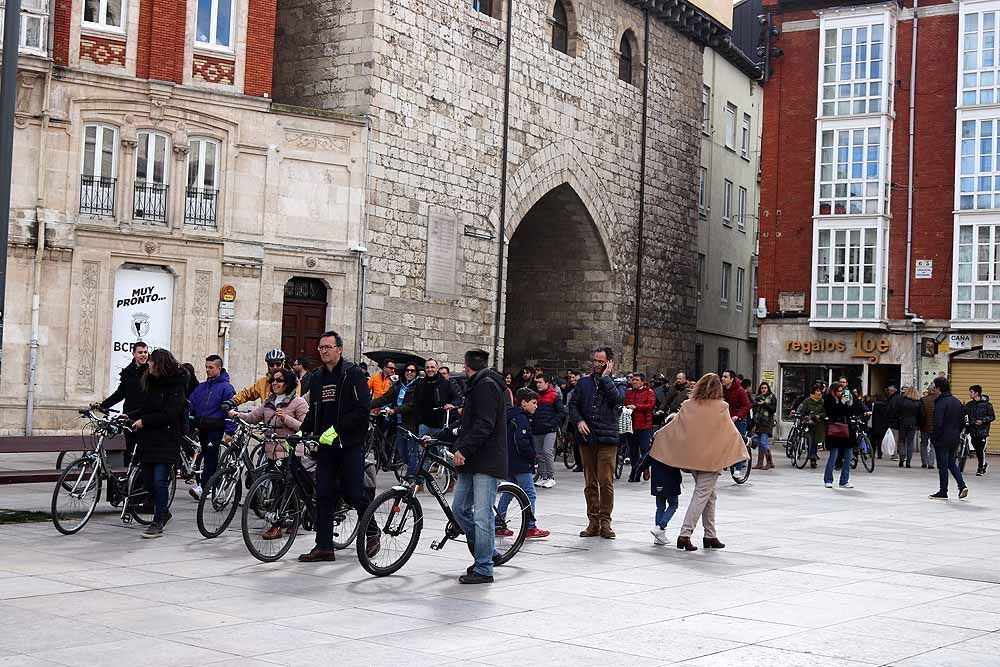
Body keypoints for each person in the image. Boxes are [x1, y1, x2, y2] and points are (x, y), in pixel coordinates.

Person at [297, 331, 375, 562]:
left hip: (349, 444)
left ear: (339, 349)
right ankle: (324, 546)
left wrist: (338, 430)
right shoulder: (318, 376)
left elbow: (362, 410)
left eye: (328, 347)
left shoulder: (353, 375)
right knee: (323, 495)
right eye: (320, 347)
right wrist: (302, 430)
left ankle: (372, 532)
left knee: (354, 492)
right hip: (326, 446)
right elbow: (315, 409)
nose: (323, 351)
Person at [650, 373, 748, 551]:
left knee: (710, 495)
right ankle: (685, 534)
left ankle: (710, 535)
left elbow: (674, 426)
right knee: (702, 494)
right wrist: (744, 445)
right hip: (712, 460)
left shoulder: (689, 405)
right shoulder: (722, 407)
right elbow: (730, 432)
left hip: (693, 459)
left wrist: (658, 435)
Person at [452, 349, 509, 584]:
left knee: (482, 515)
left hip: (486, 460)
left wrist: (464, 450)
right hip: (474, 460)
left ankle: (484, 567)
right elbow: (470, 421)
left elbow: (485, 424)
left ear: (467, 366)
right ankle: (487, 552)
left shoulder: (485, 385)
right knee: (460, 509)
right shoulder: (478, 384)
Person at [237, 368, 309, 539]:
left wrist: (286, 418)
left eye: (280, 380)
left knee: (285, 487)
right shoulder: (269, 402)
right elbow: (253, 417)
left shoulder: (298, 402)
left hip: (290, 451)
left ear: (288, 383)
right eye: (273, 380)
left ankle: (279, 524)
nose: (275, 383)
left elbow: (305, 427)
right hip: (272, 452)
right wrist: (236, 414)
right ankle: (292, 517)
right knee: (279, 486)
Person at [129, 349, 189, 539]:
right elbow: (147, 407)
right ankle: (163, 511)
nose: (148, 364)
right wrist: (130, 416)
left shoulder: (177, 385)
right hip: (149, 439)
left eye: (152, 361)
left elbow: (170, 414)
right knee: (147, 480)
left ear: (160, 363)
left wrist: (145, 421)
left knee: (159, 480)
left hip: (168, 438)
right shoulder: (151, 382)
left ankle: (157, 522)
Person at [569, 346, 624, 539]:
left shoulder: (618, 383)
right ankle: (593, 521)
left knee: (606, 481)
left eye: (602, 362)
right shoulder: (584, 382)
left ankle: (605, 522)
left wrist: (606, 378)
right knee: (590, 482)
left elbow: (617, 401)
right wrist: (578, 421)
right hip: (587, 437)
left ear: (609, 363)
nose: (598, 365)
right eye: (596, 361)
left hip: (607, 439)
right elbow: (573, 405)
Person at [498, 388, 549, 540]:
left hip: (509, 461)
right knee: (529, 493)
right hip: (520, 462)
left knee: (508, 492)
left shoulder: (510, 416)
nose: (536, 406)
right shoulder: (521, 418)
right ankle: (530, 526)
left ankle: (498, 523)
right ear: (524, 403)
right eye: (533, 403)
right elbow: (521, 441)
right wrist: (532, 456)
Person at [188, 355, 236, 499]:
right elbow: (191, 404)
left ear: (219, 369)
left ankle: (206, 487)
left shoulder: (226, 388)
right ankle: (210, 485)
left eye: (211, 367)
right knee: (205, 455)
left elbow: (230, 410)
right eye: (206, 367)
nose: (208, 370)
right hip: (202, 426)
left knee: (210, 456)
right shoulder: (202, 387)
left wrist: (229, 431)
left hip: (216, 427)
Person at [95, 341, 149, 467]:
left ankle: (139, 482)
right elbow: (120, 393)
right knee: (129, 449)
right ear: (134, 354)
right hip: (128, 415)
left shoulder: (150, 372)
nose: (143, 355)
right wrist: (103, 405)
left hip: (144, 415)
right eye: (140, 352)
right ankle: (126, 479)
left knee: (142, 450)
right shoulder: (128, 372)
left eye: (145, 352)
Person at [371, 363, 421, 479]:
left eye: (412, 371)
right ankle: (415, 474)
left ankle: (413, 479)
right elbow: (385, 398)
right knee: (402, 454)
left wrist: (395, 410)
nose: (409, 373)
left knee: (411, 453)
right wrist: (367, 406)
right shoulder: (398, 385)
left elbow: (412, 405)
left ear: (416, 373)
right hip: (398, 423)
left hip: (411, 424)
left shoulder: (418, 386)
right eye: (407, 370)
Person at [631, 445, 682, 545]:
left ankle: (659, 537)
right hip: (671, 482)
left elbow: (644, 461)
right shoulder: (674, 448)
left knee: (660, 507)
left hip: (657, 482)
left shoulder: (655, 449)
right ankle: (660, 527)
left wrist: (637, 473)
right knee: (673, 505)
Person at [929, 377, 968, 500]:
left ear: (938, 388)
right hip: (954, 438)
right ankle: (962, 485)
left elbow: (937, 423)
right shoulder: (957, 402)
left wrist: (934, 437)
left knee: (942, 465)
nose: (933, 389)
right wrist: (956, 432)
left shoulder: (940, 402)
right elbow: (962, 422)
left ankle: (943, 491)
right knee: (951, 463)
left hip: (942, 438)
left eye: (934, 387)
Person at [227, 349, 299, 410]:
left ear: (283, 363)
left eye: (278, 364)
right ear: (268, 365)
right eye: (271, 364)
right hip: (267, 419)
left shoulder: (293, 381)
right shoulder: (263, 382)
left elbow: (295, 399)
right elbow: (248, 394)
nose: (275, 367)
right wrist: (233, 401)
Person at [532, 373, 566, 488]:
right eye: (537, 382)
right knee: (539, 454)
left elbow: (562, 412)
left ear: (547, 383)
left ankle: (551, 477)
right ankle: (543, 476)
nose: (538, 384)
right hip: (537, 428)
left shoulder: (554, 396)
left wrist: (553, 423)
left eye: (540, 382)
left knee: (547, 451)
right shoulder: (536, 396)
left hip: (549, 429)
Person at [823, 383, 860, 489]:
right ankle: (828, 479)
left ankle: (844, 480)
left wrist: (849, 403)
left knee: (848, 456)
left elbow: (849, 412)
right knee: (833, 455)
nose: (841, 393)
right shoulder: (829, 399)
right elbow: (833, 413)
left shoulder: (845, 398)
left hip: (847, 429)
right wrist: (842, 403)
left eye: (842, 391)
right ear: (833, 391)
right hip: (835, 429)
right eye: (838, 391)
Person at [412, 358, 459, 439]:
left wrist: (451, 404)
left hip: (440, 426)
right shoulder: (420, 384)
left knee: (438, 451)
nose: (430, 369)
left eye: (432, 367)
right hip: (423, 425)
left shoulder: (446, 383)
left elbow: (457, 398)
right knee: (422, 450)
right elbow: (415, 402)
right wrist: (418, 420)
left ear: (437, 368)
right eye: (427, 367)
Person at [624, 373, 656, 482]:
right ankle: (635, 473)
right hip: (631, 426)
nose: (634, 382)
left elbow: (651, 405)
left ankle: (644, 467)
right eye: (633, 380)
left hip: (644, 425)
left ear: (642, 382)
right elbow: (624, 403)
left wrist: (636, 407)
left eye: (636, 380)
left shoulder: (649, 392)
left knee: (644, 450)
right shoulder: (628, 392)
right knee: (633, 451)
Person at [965, 385, 995, 476]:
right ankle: (983, 463)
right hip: (973, 431)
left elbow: (992, 417)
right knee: (977, 449)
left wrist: (983, 421)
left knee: (981, 450)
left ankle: (980, 468)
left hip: (983, 431)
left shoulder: (987, 405)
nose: (969, 394)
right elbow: (965, 415)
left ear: (976, 393)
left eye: (971, 392)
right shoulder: (969, 405)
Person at [797, 383, 827, 468]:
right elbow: (802, 411)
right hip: (808, 423)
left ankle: (813, 456)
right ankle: (811, 456)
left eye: (820, 391)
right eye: (817, 391)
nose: (819, 392)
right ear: (813, 391)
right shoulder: (807, 400)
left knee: (815, 440)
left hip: (818, 423)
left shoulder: (822, 402)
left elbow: (825, 412)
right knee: (811, 439)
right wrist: (805, 417)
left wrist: (819, 416)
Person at [896, 386, 923, 469]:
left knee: (901, 441)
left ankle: (901, 458)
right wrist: (919, 424)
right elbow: (921, 415)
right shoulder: (918, 403)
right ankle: (908, 462)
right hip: (913, 423)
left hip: (902, 422)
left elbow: (897, 412)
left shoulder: (902, 401)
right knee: (910, 442)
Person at [752, 382, 777, 470]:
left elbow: (773, 409)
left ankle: (769, 462)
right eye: (762, 388)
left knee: (763, 443)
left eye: (765, 388)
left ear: (768, 389)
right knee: (760, 443)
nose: (763, 389)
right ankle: (760, 463)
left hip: (767, 423)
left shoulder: (772, 397)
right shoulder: (758, 398)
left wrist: (764, 404)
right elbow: (754, 410)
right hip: (759, 423)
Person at [564, 369, 583, 472]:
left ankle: (581, 463)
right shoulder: (570, 390)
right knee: (576, 442)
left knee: (579, 442)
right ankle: (579, 463)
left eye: (573, 377)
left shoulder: (582, 389)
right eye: (570, 378)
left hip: (581, 419)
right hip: (573, 419)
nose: (571, 379)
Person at [919, 386, 936, 469]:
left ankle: (924, 462)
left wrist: (920, 424)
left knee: (923, 444)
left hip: (924, 426)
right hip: (935, 427)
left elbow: (920, 414)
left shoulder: (923, 400)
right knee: (933, 445)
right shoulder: (939, 400)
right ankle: (931, 463)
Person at [885, 385, 901, 460]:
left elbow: (892, 410)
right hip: (896, 421)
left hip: (894, 421)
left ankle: (894, 453)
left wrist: (890, 417)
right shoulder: (896, 397)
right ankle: (895, 453)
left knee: (894, 438)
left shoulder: (894, 398)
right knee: (896, 438)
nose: (888, 392)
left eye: (890, 390)